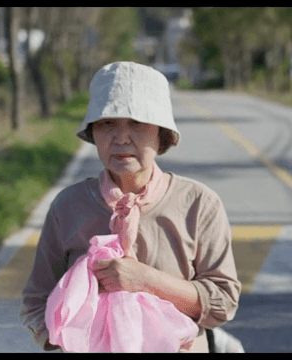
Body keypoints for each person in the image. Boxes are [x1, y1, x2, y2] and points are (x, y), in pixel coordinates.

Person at [19, 61, 242, 353]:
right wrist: (75, 321)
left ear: (161, 135)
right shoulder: (68, 207)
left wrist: (145, 280)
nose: (121, 138)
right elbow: (36, 303)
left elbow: (222, 302)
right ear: (93, 133)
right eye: (107, 123)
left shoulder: (199, 204)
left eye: (137, 123)